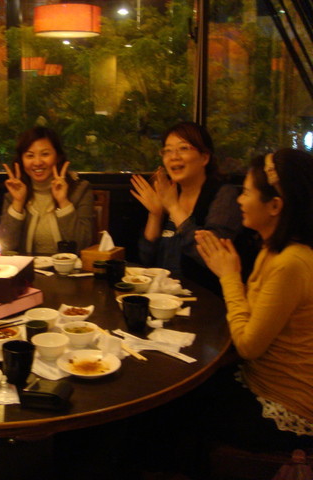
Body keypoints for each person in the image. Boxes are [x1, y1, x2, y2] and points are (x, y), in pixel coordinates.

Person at [194, 148, 313, 452]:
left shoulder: (291, 262)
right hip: (254, 379)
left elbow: (248, 346)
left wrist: (229, 276)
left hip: (285, 405)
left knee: (180, 407)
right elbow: (251, 317)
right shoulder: (272, 249)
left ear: (274, 205)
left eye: (246, 192)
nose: (239, 200)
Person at [130, 121, 243, 293]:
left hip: (203, 298)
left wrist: (174, 207)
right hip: (161, 297)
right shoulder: (170, 193)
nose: (173, 156)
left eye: (183, 148)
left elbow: (212, 256)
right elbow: (146, 260)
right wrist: (155, 214)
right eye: (167, 150)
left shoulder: (223, 195)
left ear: (204, 158)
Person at [0, 126, 94, 254]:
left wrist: (63, 202)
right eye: (30, 155)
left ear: (58, 157)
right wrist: (18, 203)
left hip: (68, 266)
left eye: (45, 154)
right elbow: (3, 246)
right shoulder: (13, 195)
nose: (37, 162)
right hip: (28, 266)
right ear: (21, 160)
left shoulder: (80, 190)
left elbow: (83, 244)